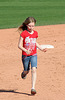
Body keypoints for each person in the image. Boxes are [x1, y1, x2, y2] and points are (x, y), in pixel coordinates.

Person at [18, 17, 47, 95]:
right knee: (26, 70)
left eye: (33, 26)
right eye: (30, 26)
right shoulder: (23, 33)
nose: (31, 27)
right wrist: (26, 51)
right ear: (26, 25)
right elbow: (19, 45)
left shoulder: (35, 33)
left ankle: (33, 88)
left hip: (34, 54)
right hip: (25, 55)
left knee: (34, 69)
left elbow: (35, 43)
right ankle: (24, 73)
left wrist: (41, 48)